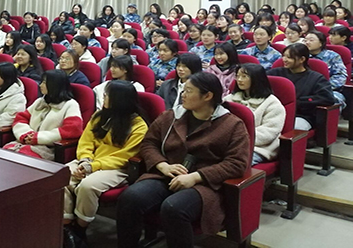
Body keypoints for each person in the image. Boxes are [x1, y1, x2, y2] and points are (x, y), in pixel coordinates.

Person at [116, 72, 249, 248]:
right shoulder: (172, 116)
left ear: (207, 96)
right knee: (130, 198)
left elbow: (236, 163)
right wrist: (162, 165)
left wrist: (196, 177)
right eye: (183, 90)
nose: (183, 95)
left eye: (188, 91)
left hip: (205, 185)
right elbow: (149, 143)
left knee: (174, 208)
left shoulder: (232, 124)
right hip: (166, 174)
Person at [63, 80, 148, 243]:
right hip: (89, 161)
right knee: (61, 176)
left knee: (88, 186)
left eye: (107, 95)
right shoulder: (99, 116)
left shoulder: (139, 126)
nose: (104, 98)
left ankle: (80, 230)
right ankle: (66, 226)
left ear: (119, 100)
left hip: (116, 168)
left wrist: (92, 167)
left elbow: (124, 157)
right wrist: (85, 159)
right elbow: (86, 141)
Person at [3, 70, 83, 160]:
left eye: (44, 83)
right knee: (4, 154)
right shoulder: (40, 101)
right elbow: (21, 118)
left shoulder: (70, 104)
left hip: (48, 148)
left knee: (21, 159)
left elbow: (72, 130)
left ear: (54, 85)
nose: (40, 85)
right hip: (25, 142)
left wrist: (38, 138)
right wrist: (26, 134)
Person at [225, 64, 285, 165]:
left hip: (258, 147)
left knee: (234, 164)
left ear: (256, 79)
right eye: (237, 76)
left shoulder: (272, 103)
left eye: (244, 76)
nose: (239, 80)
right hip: (228, 144)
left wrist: (237, 139)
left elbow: (269, 132)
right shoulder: (229, 99)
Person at [268, 44, 335, 130]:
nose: (284, 59)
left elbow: (328, 99)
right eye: (284, 56)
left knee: (291, 128)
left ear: (302, 59)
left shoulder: (316, 78)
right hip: (274, 112)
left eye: (289, 57)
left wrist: (300, 101)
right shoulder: (275, 73)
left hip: (301, 115)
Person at [303, 31, 347, 106]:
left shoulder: (332, 56)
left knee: (333, 99)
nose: (307, 42)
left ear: (321, 43)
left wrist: (323, 87)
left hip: (330, 90)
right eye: (305, 40)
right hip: (305, 90)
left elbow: (340, 76)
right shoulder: (301, 57)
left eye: (311, 40)